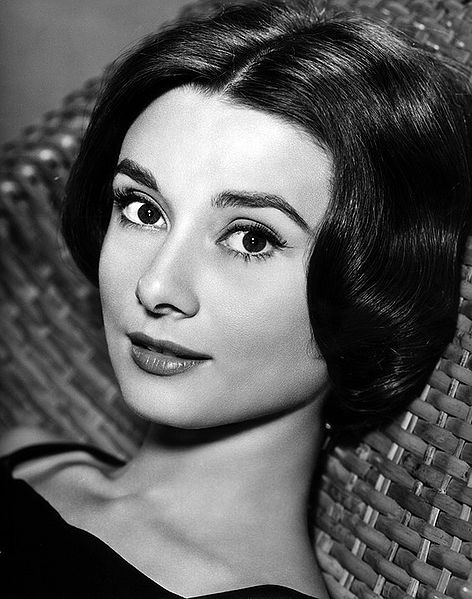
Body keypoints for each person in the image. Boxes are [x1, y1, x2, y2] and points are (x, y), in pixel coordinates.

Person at [1, 1, 472, 597]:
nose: (156, 286)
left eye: (251, 239)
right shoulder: (25, 453)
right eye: (142, 210)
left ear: (371, 287)